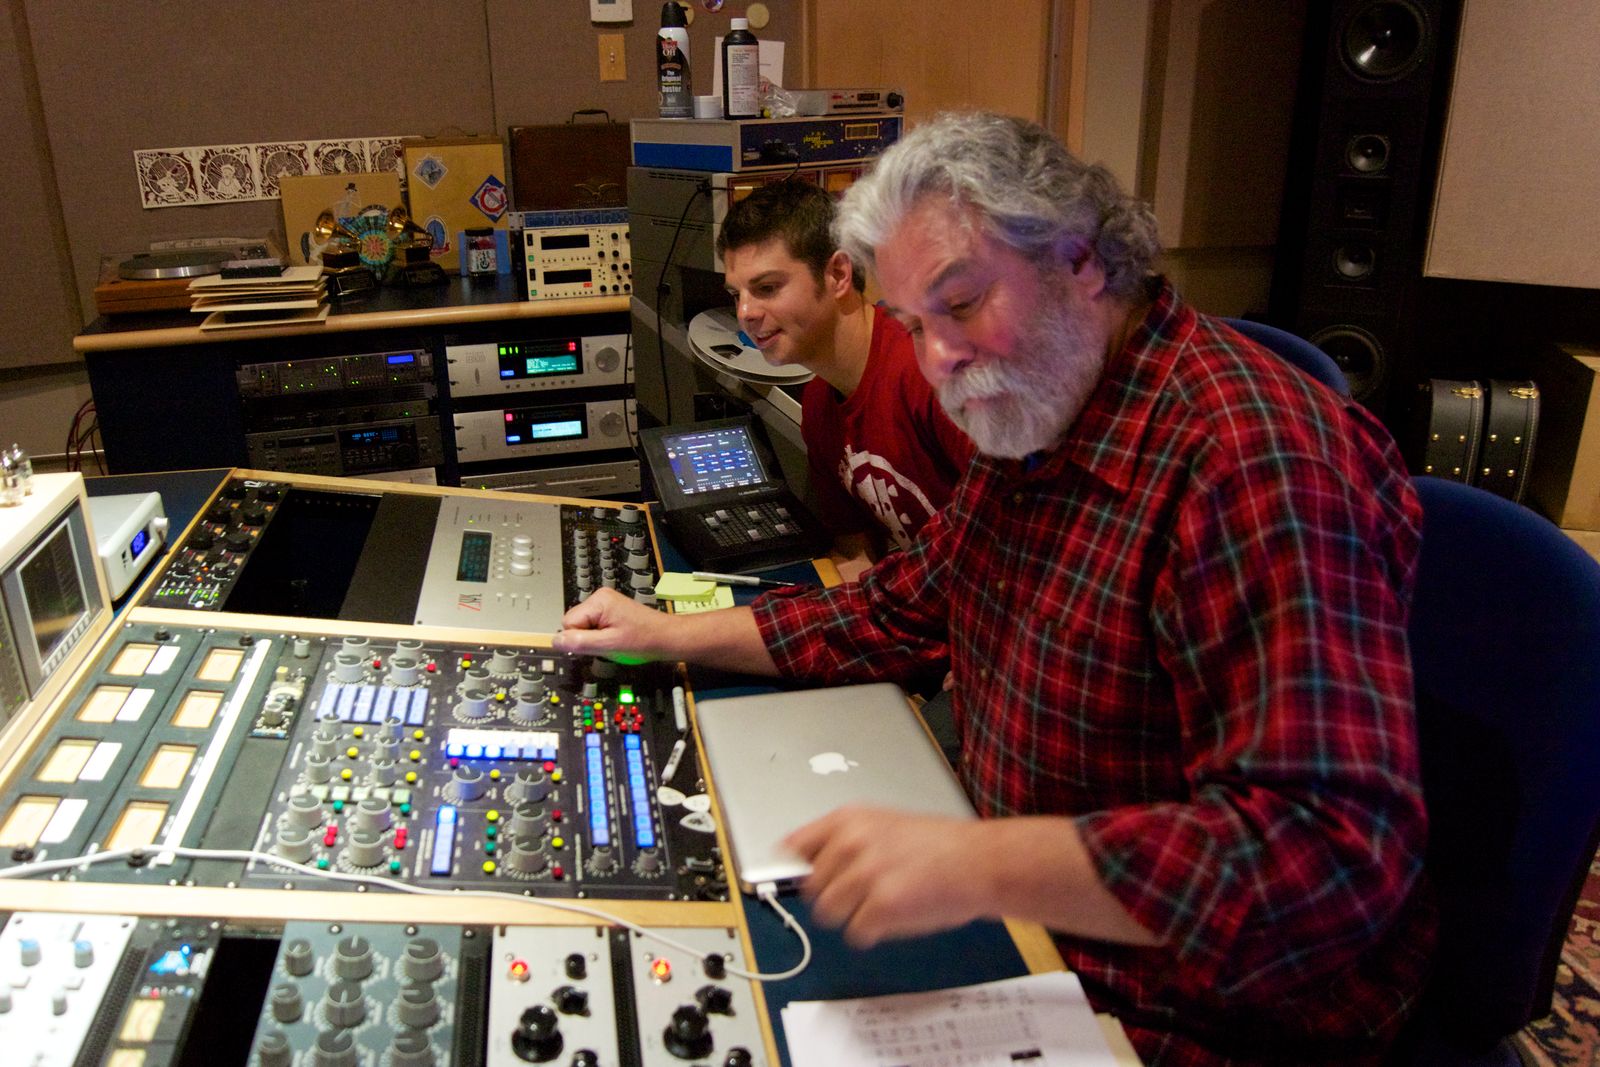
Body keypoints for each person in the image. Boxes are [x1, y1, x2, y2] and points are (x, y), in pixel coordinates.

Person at [557, 112, 1434, 1065]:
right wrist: (669, 632)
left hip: (1198, 1013)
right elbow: (898, 609)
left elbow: (1330, 860)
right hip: (1036, 928)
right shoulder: (1039, 416)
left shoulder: (1256, 463)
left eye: (963, 304)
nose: (938, 360)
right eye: (913, 326)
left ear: (1083, 261)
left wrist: (981, 862)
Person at [717, 179, 975, 579]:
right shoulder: (819, 405)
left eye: (766, 288)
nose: (745, 313)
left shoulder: (930, 371)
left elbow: (1031, 546)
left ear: (838, 274)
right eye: (737, 295)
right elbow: (855, 554)